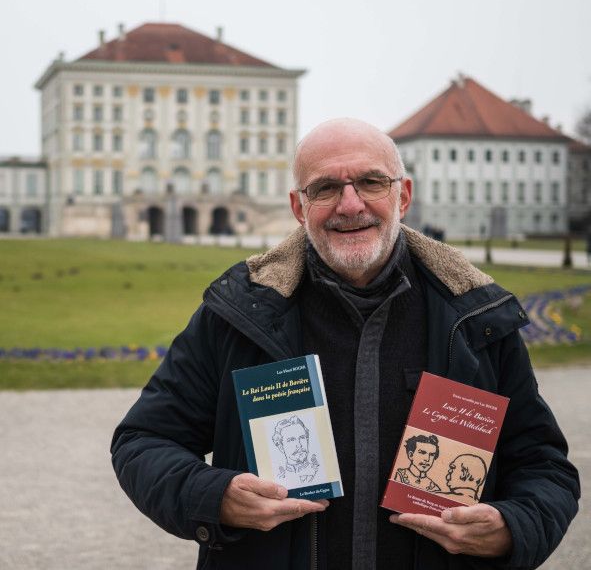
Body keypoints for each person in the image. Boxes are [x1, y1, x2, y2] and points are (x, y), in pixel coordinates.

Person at [111, 118, 580, 570]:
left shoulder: (475, 318)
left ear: (404, 197)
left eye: (372, 182)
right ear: (299, 207)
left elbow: (544, 467)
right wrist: (213, 497)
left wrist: (513, 528)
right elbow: (144, 442)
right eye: (325, 188)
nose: (350, 204)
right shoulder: (237, 315)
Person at [273, 416, 319, 487]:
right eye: (291, 440)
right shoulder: (278, 479)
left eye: (302, 437)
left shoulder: (318, 471)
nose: (299, 445)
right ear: (281, 447)